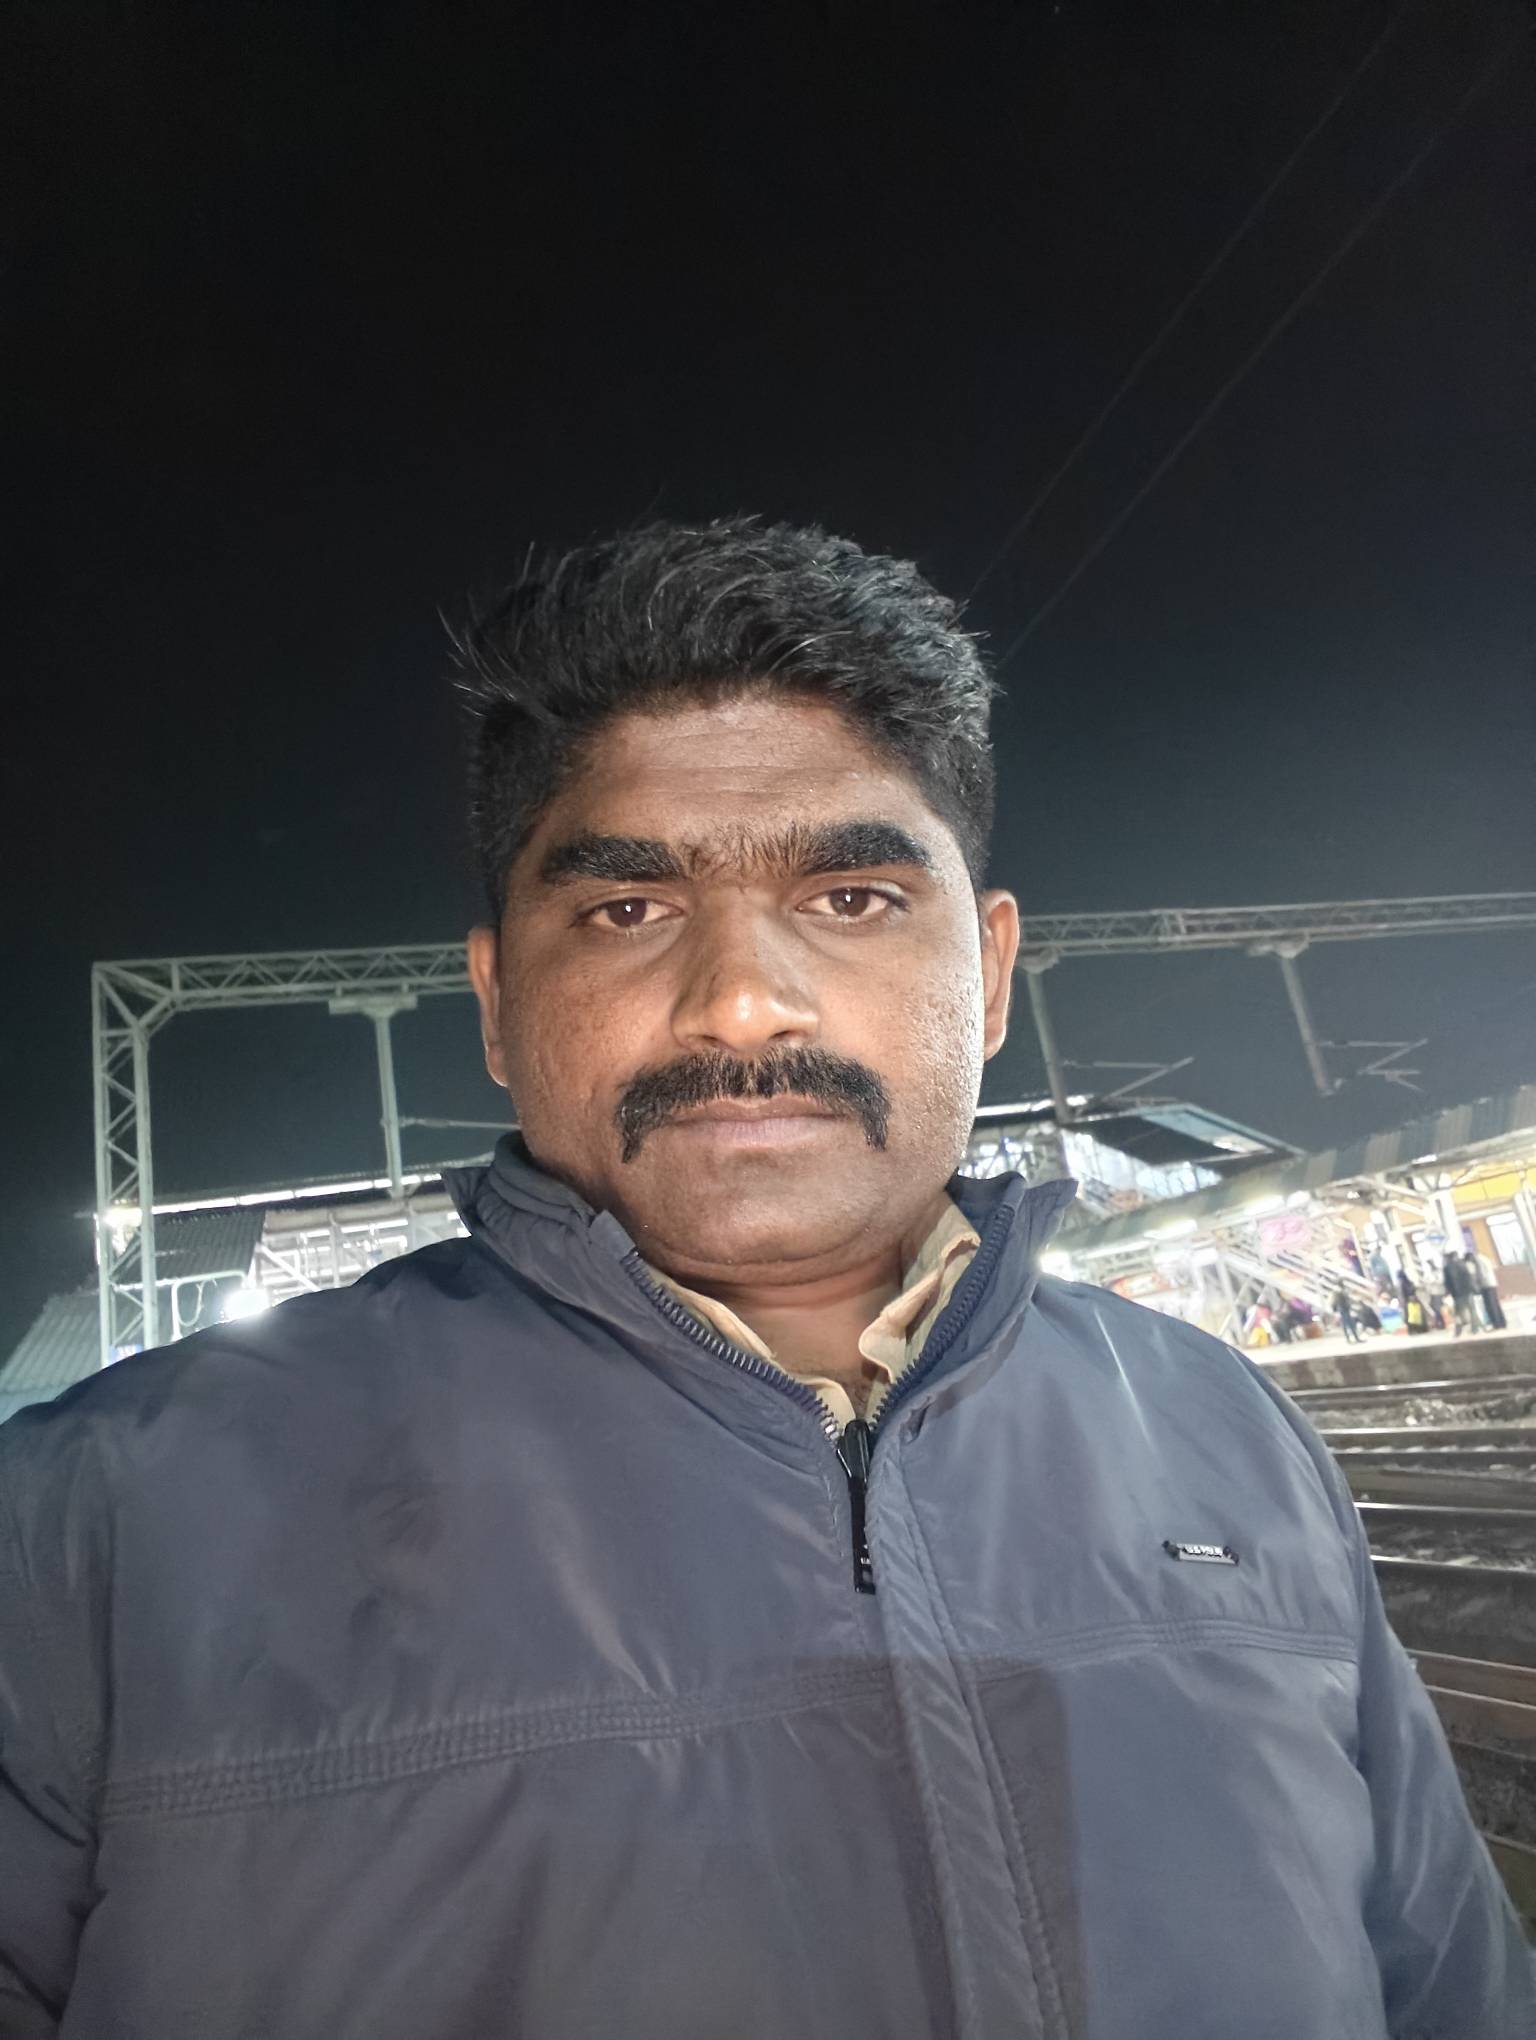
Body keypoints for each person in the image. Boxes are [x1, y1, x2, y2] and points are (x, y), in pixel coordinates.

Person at [1, 517, 1529, 2038]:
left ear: (991, 973)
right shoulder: (96, 1529)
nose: (740, 1000)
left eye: (852, 898)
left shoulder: (1229, 1433)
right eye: (627, 910)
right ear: (496, 1001)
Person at [1443, 1250, 1479, 1338]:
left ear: (1449, 1258)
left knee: (1458, 1313)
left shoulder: (1447, 1268)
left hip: (1457, 1294)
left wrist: (1448, 1292)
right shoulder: (1463, 1264)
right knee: (1472, 1310)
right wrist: (1473, 1288)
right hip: (1467, 1291)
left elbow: (1447, 1282)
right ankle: (1475, 1329)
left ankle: (1458, 1331)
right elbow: (1469, 1277)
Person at [1471, 1247, 1508, 1331]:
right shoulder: (1484, 1258)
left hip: (1486, 1285)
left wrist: (1478, 1282)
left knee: (1490, 1305)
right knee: (1496, 1304)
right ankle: (1502, 1322)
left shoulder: (1477, 1260)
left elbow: (1481, 1273)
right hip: (1492, 1283)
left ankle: (1496, 1324)